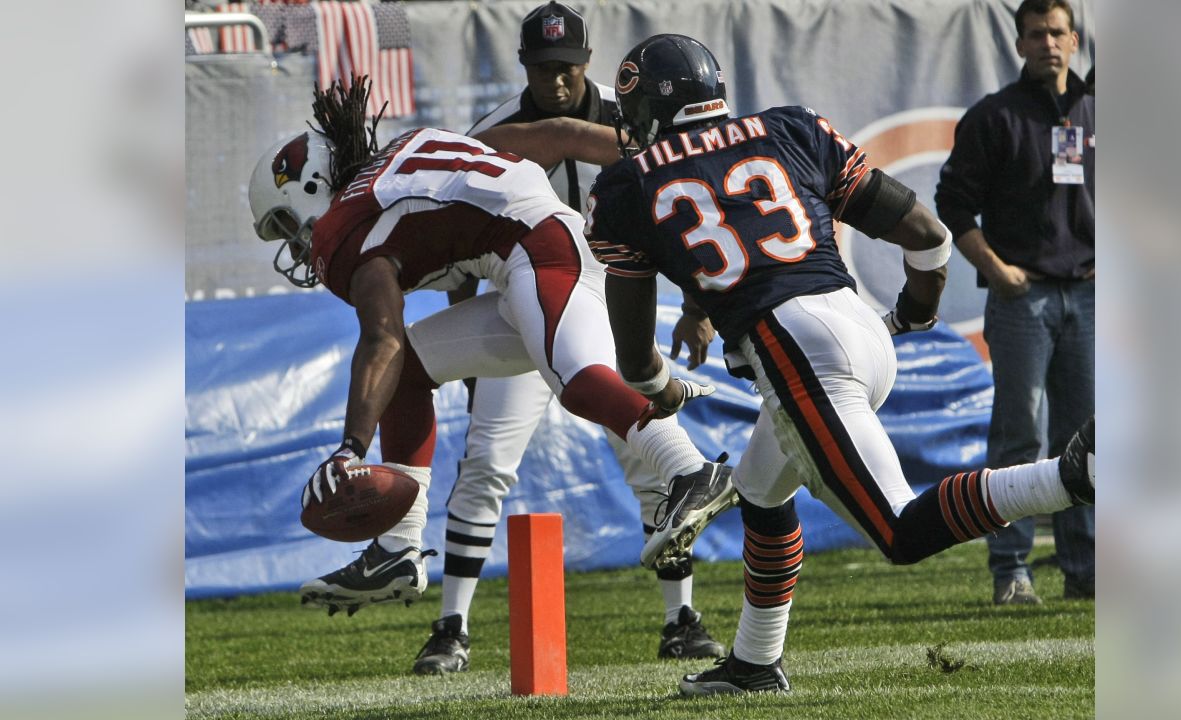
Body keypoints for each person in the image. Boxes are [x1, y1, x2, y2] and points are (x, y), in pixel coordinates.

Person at [476, 33, 1095, 695]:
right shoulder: (792, 127)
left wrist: (658, 387)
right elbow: (928, 237)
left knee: (900, 532)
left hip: (796, 350)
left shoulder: (629, 184)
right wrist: (916, 311)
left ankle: (1073, 473)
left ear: (648, 110)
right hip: (857, 324)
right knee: (763, 495)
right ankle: (754, 662)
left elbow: (632, 354)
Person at [245, 77, 739, 642]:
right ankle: (399, 547)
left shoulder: (345, 227)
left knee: (575, 382)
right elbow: (549, 140)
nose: (294, 242)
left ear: (310, 185)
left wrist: (350, 448)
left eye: (285, 222)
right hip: (533, 253)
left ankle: (691, 470)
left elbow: (380, 337)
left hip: (542, 251)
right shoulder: (404, 151)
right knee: (407, 374)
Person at [413, 2, 725, 676]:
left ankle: (681, 618)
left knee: (648, 463)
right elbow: (460, 233)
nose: (556, 80)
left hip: (618, 308)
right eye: (542, 67)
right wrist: (464, 322)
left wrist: (697, 306)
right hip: (520, 310)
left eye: (567, 68)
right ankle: (451, 626)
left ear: (587, 64)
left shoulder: (634, 112)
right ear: (525, 66)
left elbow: (692, 205)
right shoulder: (495, 130)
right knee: (488, 461)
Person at [935, 0, 1095, 605]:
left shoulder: (1098, 111)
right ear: (1020, 44)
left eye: (1057, 32)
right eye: (1036, 34)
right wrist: (995, 269)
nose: (1048, 43)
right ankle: (1012, 570)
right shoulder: (993, 117)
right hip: (1022, 296)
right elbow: (951, 203)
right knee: (1019, 437)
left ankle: (1086, 570)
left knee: (1087, 439)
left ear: (1073, 40)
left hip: (1088, 294)